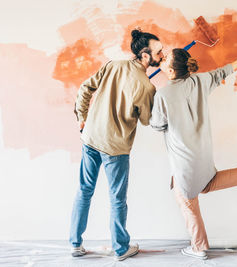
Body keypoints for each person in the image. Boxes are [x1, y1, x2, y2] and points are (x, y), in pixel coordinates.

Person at [150, 49, 237, 260]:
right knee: (206, 184)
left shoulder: (162, 94)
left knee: (186, 200)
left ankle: (199, 248)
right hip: (202, 152)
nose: (161, 59)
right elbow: (219, 74)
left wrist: (152, 101)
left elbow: (157, 125)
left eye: (165, 59)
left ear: (172, 69)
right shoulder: (199, 81)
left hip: (183, 158)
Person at [70, 29, 164, 261]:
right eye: (159, 52)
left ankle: (75, 244)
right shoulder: (147, 87)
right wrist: (148, 97)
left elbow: (84, 89)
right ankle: (121, 249)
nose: (163, 55)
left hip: (90, 138)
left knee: (84, 191)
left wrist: (82, 118)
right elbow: (145, 120)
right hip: (115, 148)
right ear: (145, 55)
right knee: (117, 199)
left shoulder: (114, 65)